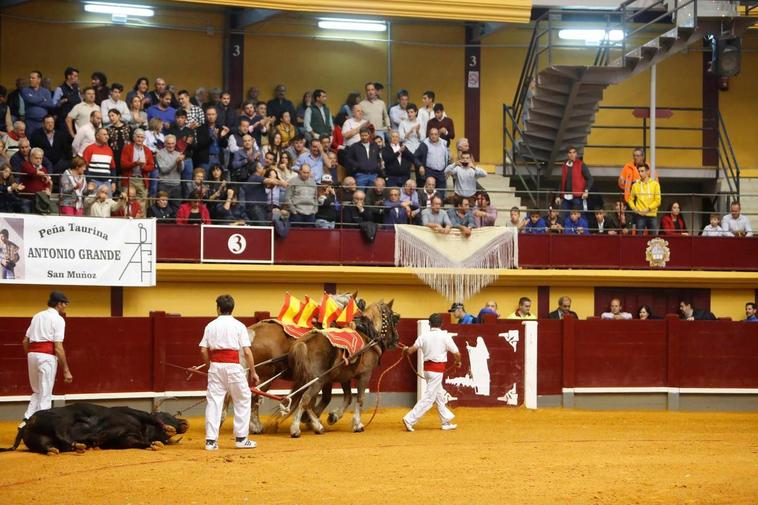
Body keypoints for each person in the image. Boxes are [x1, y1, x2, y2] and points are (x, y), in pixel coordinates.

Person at [199, 294, 259, 451]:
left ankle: (210, 441)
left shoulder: (210, 326)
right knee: (243, 399)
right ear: (232, 308)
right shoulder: (239, 326)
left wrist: (209, 366)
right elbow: (246, 352)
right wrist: (253, 372)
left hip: (216, 367)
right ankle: (241, 438)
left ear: (218, 308)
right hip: (233, 367)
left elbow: (204, 350)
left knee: (214, 402)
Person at [401, 313, 461, 432]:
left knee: (439, 395)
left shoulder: (424, 336)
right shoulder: (445, 336)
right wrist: (458, 362)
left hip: (428, 370)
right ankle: (410, 419)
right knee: (429, 398)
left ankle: (445, 421)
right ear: (441, 324)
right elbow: (457, 353)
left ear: (429, 323)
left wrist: (405, 350)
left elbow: (411, 350)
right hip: (437, 371)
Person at [21, 291, 74, 423]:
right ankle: (42, 427)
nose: (66, 305)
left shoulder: (37, 316)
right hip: (46, 357)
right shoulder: (58, 319)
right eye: (65, 303)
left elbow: (25, 341)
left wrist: (32, 355)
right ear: (58, 304)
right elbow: (58, 347)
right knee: (45, 394)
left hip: (32, 355)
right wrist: (66, 370)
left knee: (37, 392)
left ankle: (26, 421)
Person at [627, 163, 660, 234]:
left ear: (647, 171)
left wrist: (648, 209)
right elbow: (630, 199)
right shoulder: (635, 185)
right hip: (640, 215)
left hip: (652, 215)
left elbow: (658, 200)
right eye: (639, 171)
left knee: (653, 239)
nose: (640, 173)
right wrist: (634, 208)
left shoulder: (655, 184)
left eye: (642, 171)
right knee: (639, 238)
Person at [559, 147, 592, 212]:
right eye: (570, 153)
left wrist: (586, 191)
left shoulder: (581, 164)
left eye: (574, 152)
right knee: (564, 218)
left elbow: (590, 179)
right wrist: (558, 195)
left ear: (576, 154)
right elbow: (562, 182)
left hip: (577, 197)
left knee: (579, 216)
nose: (572, 154)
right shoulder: (564, 165)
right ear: (567, 154)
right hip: (565, 197)